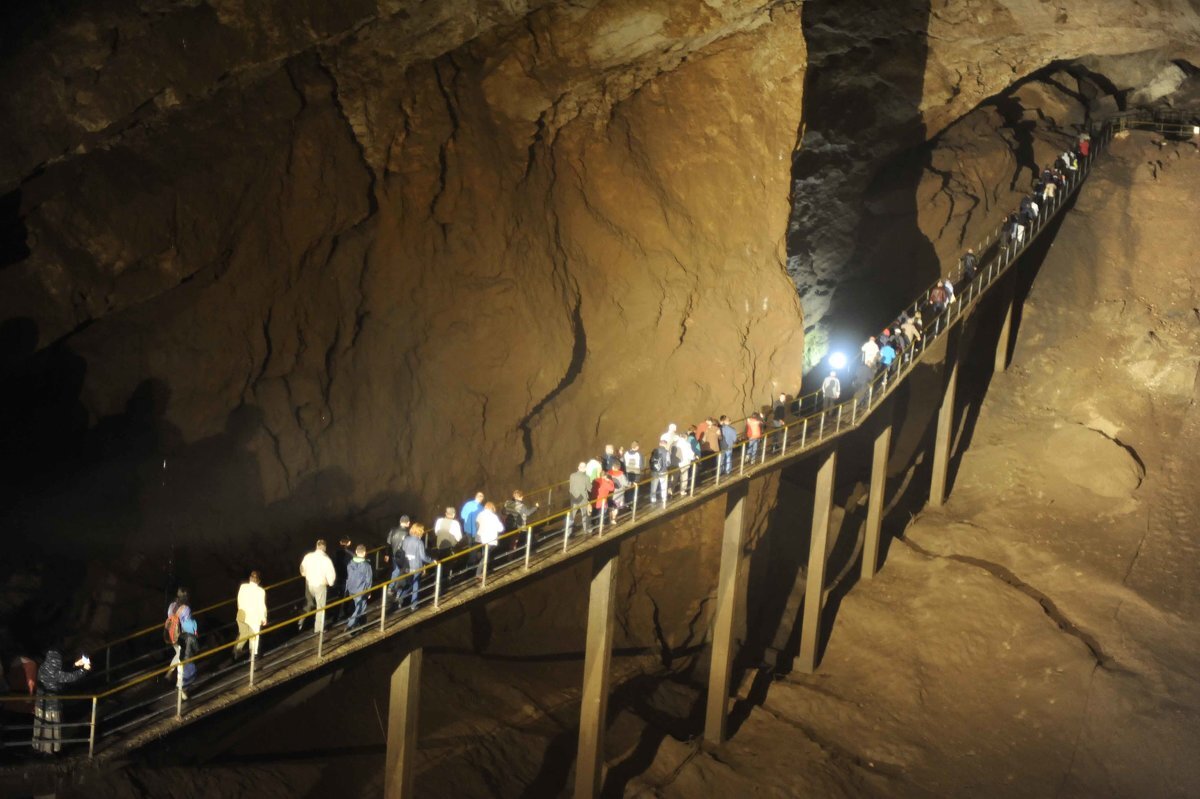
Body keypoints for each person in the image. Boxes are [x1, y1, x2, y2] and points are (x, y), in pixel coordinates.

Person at [32, 649, 90, 754]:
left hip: (40, 704)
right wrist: (83, 670)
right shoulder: (55, 674)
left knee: (41, 726)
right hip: (52, 706)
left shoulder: (42, 667)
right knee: (51, 728)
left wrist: (75, 664)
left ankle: (39, 747)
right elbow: (70, 677)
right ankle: (50, 751)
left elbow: (61, 671)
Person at [299, 540, 336, 633]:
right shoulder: (326, 559)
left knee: (308, 604)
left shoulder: (308, 556)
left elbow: (302, 568)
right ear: (325, 548)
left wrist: (304, 574)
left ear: (316, 546)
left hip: (309, 584)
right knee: (320, 607)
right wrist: (329, 582)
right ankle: (318, 629)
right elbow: (331, 575)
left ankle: (299, 622)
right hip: (320, 585)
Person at [399, 523, 434, 609]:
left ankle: (400, 599)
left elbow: (402, 552)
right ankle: (413, 605)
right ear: (420, 532)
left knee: (408, 583)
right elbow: (423, 557)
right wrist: (432, 561)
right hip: (416, 567)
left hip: (407, 566)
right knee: (416, 585)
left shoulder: (406, 540)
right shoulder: (419, 542)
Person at [234, 571, 267, 661]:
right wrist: (263, 617)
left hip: (242, 614)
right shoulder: (261, 591)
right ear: (259, 581)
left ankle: (236, 652)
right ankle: (253, 654)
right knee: (254, 635)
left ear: (250, 578)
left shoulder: (243, 587)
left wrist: (240, 609)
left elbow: (239, 599)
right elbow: (261, 605)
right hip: (254, 616)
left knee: (242, 634)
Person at [164, 588, 192, 688]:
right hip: (181, 635)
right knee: (181, 657)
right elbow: (186, 624)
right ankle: (179, 683)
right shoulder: (185, 608)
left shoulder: (172, 605)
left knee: (178, 654)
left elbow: (170, 618)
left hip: (171, 634)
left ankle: (169, 673)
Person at [345, 545, 373, 631]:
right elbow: (369, 580)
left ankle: (362, 625)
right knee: (360, 607)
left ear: (356, 552)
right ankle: (350, 625)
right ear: (364, 553)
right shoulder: (366, 566)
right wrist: (368, 591)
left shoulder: (350, 563)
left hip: (351, 589)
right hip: (360, 590)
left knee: (359, 605)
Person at [475, 502, 504, 576]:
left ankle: (485, 569)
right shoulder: (494, 517)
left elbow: (477, 524)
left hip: (481, 538)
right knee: (485, 556)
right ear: (492, 508)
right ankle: (479, 573)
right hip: (490, 539)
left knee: (484, 554)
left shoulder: (480, 514)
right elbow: (500, 529)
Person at [386, 516, 412, 595]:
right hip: (403, 556)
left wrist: (387, 554)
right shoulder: (407, 533)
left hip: (394, 555)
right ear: (407, 522)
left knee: (396, 570)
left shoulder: (393, 530)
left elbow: (388, 543)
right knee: (400, 572)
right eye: (409, 522)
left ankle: (392, 587)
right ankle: (396, 590)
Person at [567, 462, 592, 536]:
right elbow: (590, 489)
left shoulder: (572, 475)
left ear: (578, 467)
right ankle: (586, 529)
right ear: (585, 469)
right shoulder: (586, 477)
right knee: (584, 514)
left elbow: (571, 486)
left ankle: (568, 532)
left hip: (574, 498)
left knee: (572, 515)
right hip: (583, 498)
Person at [333, 536, 354, 620]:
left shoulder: (335, 554)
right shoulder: (351, 555)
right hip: (348, 578)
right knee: (348, 596)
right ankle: (346, 612)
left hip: (339, 578)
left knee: (339, 597)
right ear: (349, 543)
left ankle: (336, 616)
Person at [649, 438, 671, 504]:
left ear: (659, 444)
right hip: (663, 471)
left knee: (654, 485)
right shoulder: (666, 452)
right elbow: (668, 463)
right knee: (663, 485)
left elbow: (651, 460)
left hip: (654, 471)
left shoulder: (654, 450)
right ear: (666, 445)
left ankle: (653, 499)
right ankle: (664, 498)